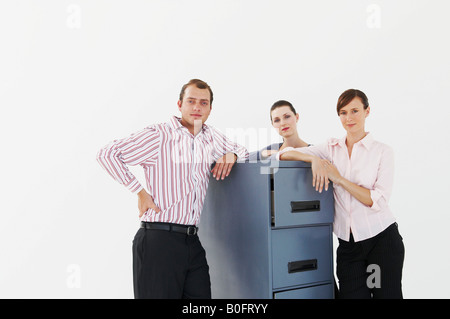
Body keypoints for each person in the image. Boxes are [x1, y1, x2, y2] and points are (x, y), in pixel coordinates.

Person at [96, 79, 248, 299]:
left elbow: (243, 151)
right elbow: (107, 154)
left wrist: (231, 154)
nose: (197, 107)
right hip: (158, 239)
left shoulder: (211, 137)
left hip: (192, 241)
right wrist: (139, 191)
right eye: (191, 101)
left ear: (210, 109)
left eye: (203, 103)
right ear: (180, 104)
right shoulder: (159, 135)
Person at [278, 89, 405, 299]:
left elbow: (377, 200)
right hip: (348, 247)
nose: (349, 118)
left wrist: (339, 179)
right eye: (343, 112)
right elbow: (284, 154)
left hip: (381, 242)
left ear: (367, 111)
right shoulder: (331, 148)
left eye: (355, 111)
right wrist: (314, 159)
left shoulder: (382, 151)